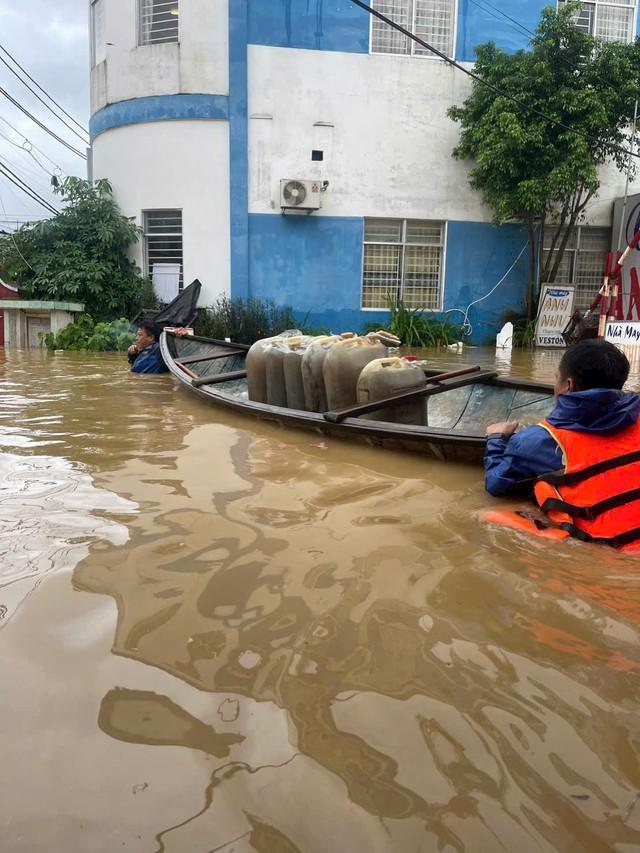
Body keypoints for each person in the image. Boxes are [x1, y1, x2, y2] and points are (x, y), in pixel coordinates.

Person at [484, 339, 640, 549]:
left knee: (487, 515)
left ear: (568, 386)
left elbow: (496, 483)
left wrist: (496, 439)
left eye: (556, 379)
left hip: (607, 555)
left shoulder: (538, 440)